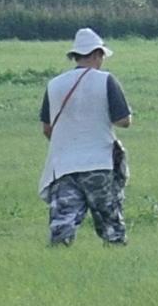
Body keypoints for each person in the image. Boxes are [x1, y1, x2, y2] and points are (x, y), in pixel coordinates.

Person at [38, 28, 132, 246]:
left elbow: (47, 128)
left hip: (63, 166)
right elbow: (124, 120)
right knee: (110, 223)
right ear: (97, 54)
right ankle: (115, 256)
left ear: (76, 56)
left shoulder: (54, 84)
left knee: (63, 223)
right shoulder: (106, 80)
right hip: (99, 164)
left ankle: (58, 258)